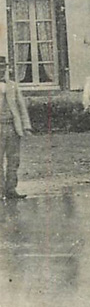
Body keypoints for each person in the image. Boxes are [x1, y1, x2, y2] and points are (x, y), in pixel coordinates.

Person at [0, 55, 32, 200]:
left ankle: (11, 189)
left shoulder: (13, 85)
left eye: (2, 67)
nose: (0, 70)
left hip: (12, 127)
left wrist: (26, 126)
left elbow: (21, 107)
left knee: (14, 160)